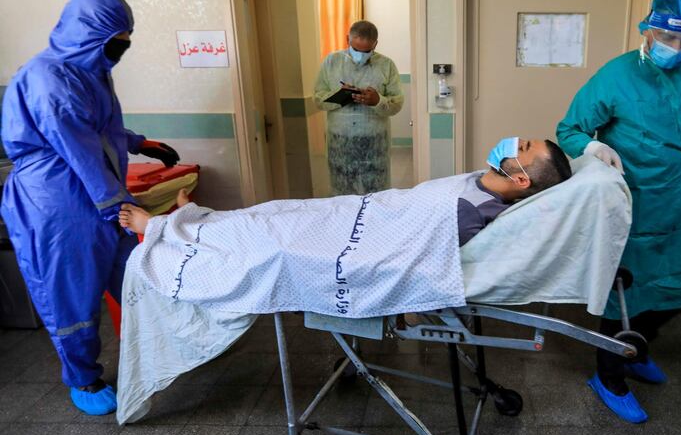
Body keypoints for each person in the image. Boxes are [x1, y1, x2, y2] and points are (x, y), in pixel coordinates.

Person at [556, 0, 681, 424]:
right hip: (629, 200)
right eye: (668, 37)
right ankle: (609, 375)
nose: (676, 49)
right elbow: (570, 128)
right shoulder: (616, 75)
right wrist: (591, 147)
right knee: (623, 291)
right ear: (647, 28)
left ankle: (634, 348)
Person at [1, 0, 180, 416]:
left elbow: (98, 128)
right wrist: (120, 205)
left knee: (132, 274)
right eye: (115, 44)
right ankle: (83, 377)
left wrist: (139, 143)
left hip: (96, 193)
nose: (120, 52)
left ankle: (160, 349)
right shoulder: (47, 77)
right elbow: (78, 147)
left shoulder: (92, 71)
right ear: (88, 35)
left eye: (124, 44)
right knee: (73, 293)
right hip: (56, 202)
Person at [120, 138, 573, 246]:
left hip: (357, 233)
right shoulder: (480, 181)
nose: (514, 141)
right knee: (276, 209)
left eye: (524, 147)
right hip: (364, 209)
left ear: (520, 179)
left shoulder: (471, 210)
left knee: (267, 232)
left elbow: (407, 250)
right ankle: (193, 219)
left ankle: (160, 227)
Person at [314, 20, 404, 196]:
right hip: (340, 142)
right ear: (348, 39)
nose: (360, 55)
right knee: (342, 194)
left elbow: (397, 103)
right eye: (356, 50)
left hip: (375, 142)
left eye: (366, 51)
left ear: (375, 44)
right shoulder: (331, 62)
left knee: (377, 195)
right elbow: (318, 99)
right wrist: (341, 97)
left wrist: (378, 100)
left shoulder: (387, 65)